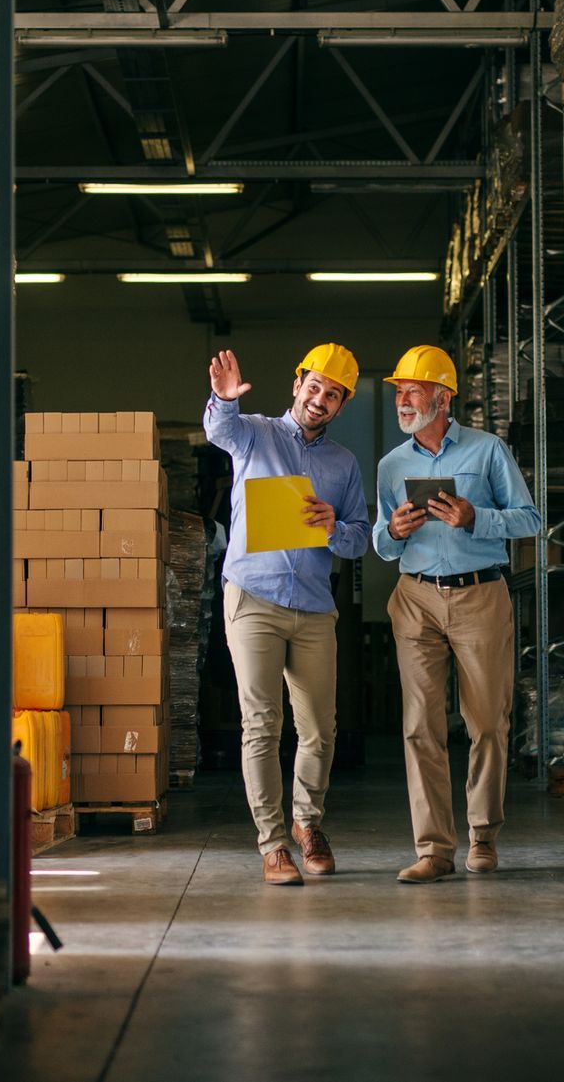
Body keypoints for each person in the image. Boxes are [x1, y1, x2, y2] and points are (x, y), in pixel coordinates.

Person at [373, 345, 541, 884]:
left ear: (443, 397)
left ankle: (483, 835)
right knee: (420, 725)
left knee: (487, 720)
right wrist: (392, 532)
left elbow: (529, 519)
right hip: (415, 597)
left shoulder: (489, 451)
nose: (403, 401)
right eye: (399, 393)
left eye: (413, 391)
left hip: (479, 596)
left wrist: (476, 518)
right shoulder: (390, 465)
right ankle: (434, 849)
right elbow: (382, 543)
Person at [205, 343, 372, 886]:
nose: (320, 399)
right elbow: (218, 431)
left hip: (314, 608)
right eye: (315, 386)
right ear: (297, 383)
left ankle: (308, 824)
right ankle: (273, 843)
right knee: (261, 724)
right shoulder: (253, 433)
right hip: (254, 596)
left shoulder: (343, 465)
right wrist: (222, 398)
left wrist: (332, 527)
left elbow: (358, 541)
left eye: (333, 394)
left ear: (341, 405)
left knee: (320, 728)